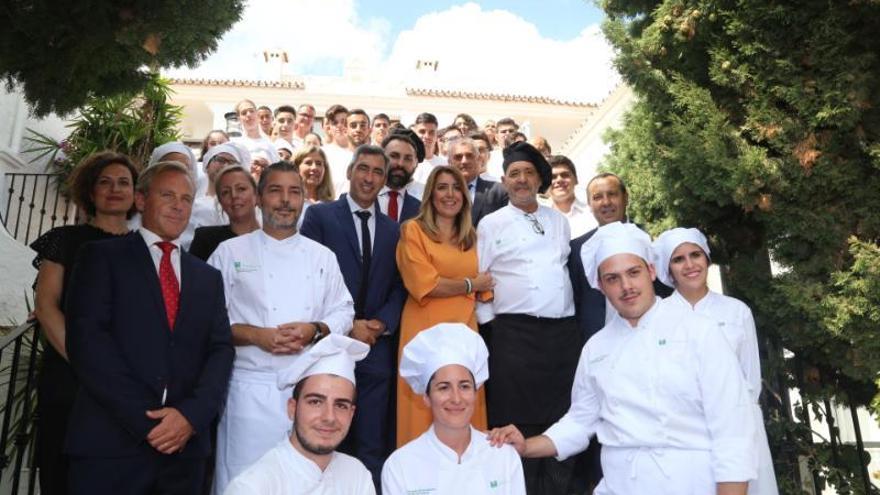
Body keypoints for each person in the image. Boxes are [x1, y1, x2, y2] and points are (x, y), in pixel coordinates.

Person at [488, 222, 758, 495]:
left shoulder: (700, 331)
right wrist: (527, 445)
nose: (626, 286)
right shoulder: (596, 348)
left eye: (633, 272)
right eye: (612, 278)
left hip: (691, 482)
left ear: (651, 271)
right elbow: (581, 420)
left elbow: (732, 430)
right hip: (620, 484)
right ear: (600, 286)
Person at [65, 161, 235, 494]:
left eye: (186, 199)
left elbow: (221, 349)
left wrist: (190, 417)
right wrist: (149, 421)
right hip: (111, 447)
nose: (178, 205)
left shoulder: (207, 277)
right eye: (168, 194)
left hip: (184, 453)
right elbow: (89, 344)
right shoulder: (101, 258)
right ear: (141, 201)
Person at [208, 161, 355, 495]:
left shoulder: (322, 257)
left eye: (294, 192)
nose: (285, 200)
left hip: (307, 395)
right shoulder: (229, 253)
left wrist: (314, 329)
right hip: (247, 393)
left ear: (304, 199)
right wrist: (256, 336)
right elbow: (208, 320)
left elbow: (344, 310)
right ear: (259, 198)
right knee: (242, 481)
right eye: (275, 191)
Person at [476, 142, 581, 494]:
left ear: (540, 180)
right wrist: (493, 327)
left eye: (529, 173)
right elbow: (482, 277)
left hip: (562, 337)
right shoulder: (491, 224)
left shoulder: (558, 221)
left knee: (562, 418)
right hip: (513, 337)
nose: (522, 180)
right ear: (505, 181)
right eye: (514, 174)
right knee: (516, 421)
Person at [300, 145, 408, 487]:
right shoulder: (320, 216)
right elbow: (308, 275)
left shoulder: (395, 230)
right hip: (331, 344)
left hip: (375, 347)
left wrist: (381, 324)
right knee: (327, 434)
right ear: (349, 171)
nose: (369, 177)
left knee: (372, 441)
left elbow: (399, 286)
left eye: (378, 172)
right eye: (364, 168)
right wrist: (348, 324)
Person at [30, 151, 137, 495]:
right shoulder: (65, 239)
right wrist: (86, 363)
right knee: (61, 475)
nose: (114, 189)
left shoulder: (145, 249)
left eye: (123, 182)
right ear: (90, 192)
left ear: (137, 194)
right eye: (104, 182)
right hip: (69, 379)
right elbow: (46, 306)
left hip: (126, 384)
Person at [653, 227, 778, 495]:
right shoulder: (657, 317)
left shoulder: (736, 311)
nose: (689, 265)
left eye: (695, 255)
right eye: (678, 259)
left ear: (707, 259)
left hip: (737, 427)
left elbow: (750, 379)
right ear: (668, 269)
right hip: (682, 432)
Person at [395, 165, 493, 447]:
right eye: (442, 187)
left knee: (465, 406)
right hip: (424, 330)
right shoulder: (413, 230)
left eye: (456, 188)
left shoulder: (472, 238)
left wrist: (477, 284)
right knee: (422, 411)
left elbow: (489, 282)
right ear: (430, 195)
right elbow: (423, 285)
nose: (450, 194)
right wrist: (471, 285)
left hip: (465, 332)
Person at [382, 323, 525, 495]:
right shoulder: (400, 466)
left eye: (464, 386)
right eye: (444, 387)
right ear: (426, 397)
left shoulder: (503, 457)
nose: (456, 398)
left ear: (475, 393)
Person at [225, 335, 375, 495]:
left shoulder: (357, 474)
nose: (329, 417)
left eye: (340, 405)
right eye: (316, 402)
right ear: (292, 408)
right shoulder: (253, 487)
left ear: (351, 414)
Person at [190, 165, 261, 261]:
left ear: (256, 194)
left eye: (241, 189)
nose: (234, 195)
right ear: (220, 202)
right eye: (225, 192)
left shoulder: (274, 238)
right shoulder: (206, 239)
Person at [445, 136, 507, 227]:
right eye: (458, 157)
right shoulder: (440, 194)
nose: (464, 161)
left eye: (469, 156)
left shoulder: (499, 191)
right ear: (449, 163)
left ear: (478, 160)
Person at [191, 143, 251, 233]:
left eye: (232, 163)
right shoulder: (192, 206)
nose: (225, 166)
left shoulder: (244, 207)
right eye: (220, 160)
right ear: (207, 165)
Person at [542, 155, 595, 239]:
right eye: (553, 177)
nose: (559, 180)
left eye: (565, 175)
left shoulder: (594, 211)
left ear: (576, 179)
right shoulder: (540, 223)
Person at [379, 129, 425, 222]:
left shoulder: (423, 207)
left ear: (415, 163)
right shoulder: (360, 198)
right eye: (394, 156)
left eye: (408, 158)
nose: (400, 163)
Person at [232, 99, 281, 164]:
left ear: (257, 114)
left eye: (251, 111)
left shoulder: (270, 144)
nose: (248, 114)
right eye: (244, 113)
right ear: (239, 119)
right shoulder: (236, 145)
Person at [323, 104, 354, 194]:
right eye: (335, 123)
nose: (339, 126)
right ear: (329, 128)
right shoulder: (322, 153)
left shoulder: (359, 153)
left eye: (344, 122)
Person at [411, 112, 444, 183]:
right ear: (415, 134)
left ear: (436, 136)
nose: (427, 136)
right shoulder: (406, 162)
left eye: (431, 132)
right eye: (422, 132)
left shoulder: (444, 165)